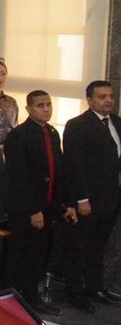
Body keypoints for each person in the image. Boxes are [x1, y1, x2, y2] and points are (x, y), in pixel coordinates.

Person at [1, 91, 74, 316]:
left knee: (39, 254)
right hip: (25, 208)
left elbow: (57, 170)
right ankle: (12, 298)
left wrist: (64, 204)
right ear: (29, 109)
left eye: (48, 104)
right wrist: (33, 209)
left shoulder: (51, 133)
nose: (46, 109)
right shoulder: (19, 136)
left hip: (47, 205)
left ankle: (32, 295)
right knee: (22, 253)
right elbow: (19, 176)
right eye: (40, 105)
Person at [62, 80, 121, 311]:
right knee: (79, 247)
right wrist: (82, 199)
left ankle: (94, 287)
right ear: (90, 100)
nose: (108, 100)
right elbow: (74, 165)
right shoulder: (78, 125)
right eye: (102, 96)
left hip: (111, 198)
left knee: (99, 246)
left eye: (111, 96)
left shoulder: (117, 123)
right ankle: (75, 292)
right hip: (88, 200)